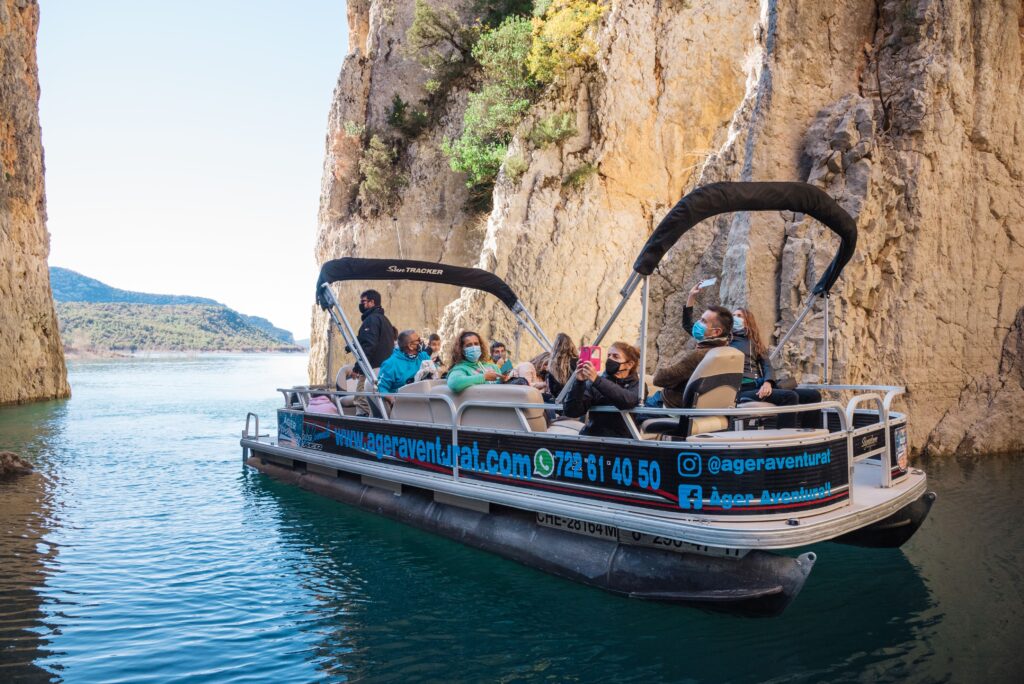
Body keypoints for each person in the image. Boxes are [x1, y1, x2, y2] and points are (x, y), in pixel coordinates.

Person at [730, 307, 799, 427]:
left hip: (760, 385)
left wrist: (767, 383)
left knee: (812, 395)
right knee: (790, 396)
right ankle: (784, 440)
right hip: (743, 390)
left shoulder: (755, 341)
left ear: (748, 321)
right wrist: (691, 299)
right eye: (733, 315)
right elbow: (693, 328)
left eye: (739, 316)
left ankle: (810, 438)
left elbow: (767, 365)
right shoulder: (727, 340)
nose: (735, 318)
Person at [654, 305, 733, 408]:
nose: (698, 323)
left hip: (673, 405)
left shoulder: (700, 355)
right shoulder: (726, 351)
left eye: (703, 321)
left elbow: (659, 379)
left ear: (716, 332)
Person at [563, 341, 641, 438]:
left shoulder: (638, 385)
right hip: (595, 439)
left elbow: (628, 401)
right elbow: (572, 411)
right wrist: (579, 382)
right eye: (609, 356)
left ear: (629, 364)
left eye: (615, 356)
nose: (610, 359)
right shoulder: (595, 382)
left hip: (624, 442)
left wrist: (597, 380)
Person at [350, 289, 396, 415]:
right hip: (385, 369)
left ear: (372, 302)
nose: (361, 305)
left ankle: (362, 429)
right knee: (378, 400)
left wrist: (357, 367)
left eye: (363, 301)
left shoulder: (371, 320)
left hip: (372, 369)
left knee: (361, 399)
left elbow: (369, 346)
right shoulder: (385, 320)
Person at [377, 329, 432, 394]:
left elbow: (434, 375)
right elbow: (381, 388)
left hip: (425, 396)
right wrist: (393, 400)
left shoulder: (424, 356)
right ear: (410, 346)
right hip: (403, 401)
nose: (421, 342)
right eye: (418, 340)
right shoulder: (390, 364)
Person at [546, 333, 578, 399]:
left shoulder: (553, 365)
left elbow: (552, 389)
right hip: (576, 397)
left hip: (560, 400)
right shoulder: (577, 361)